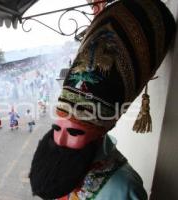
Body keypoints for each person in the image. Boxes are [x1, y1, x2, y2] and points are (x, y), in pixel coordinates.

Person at [29, 0, 175, 199]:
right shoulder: (61, 168)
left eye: (74, 131)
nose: (60, 140)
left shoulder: (123, 189)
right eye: (56, 128)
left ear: (100, 132)